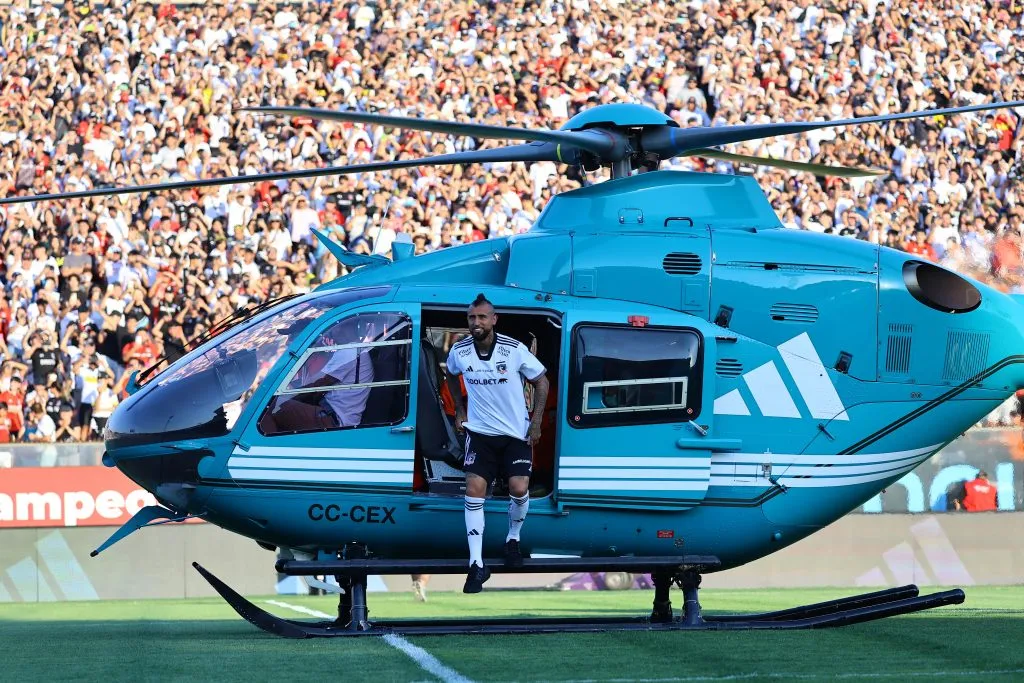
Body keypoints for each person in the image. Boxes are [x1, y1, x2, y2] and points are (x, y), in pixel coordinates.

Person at [445, 293, 549, 593]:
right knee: (474, 489)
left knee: (519, 488)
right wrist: (460, 409)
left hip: (515, 433)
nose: (476, 322)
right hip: (480, 434)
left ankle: (513, 538)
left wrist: (537, 422)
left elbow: (542, 381)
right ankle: (476, 565)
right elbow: (450, 374)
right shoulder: (460, 351)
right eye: (471, 317)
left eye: (481, 317)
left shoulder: (513, 349)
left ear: (494, 319)